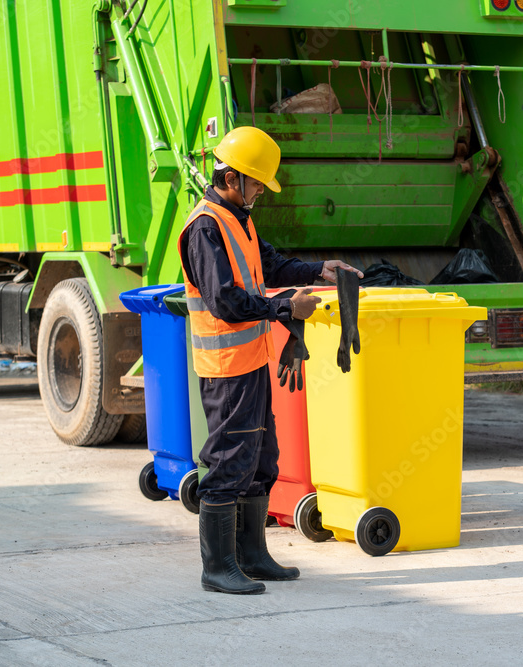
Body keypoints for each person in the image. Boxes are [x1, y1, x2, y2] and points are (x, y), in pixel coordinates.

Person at [178, 126, 362, 595]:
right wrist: (285, 309)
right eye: (258, 182)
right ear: (233, 177)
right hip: (227, 371)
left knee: (261, 459)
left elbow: (271, 265)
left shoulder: (236, 216)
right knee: (226, 462)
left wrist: (320, 269)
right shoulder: (204, 228)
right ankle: (218, 567)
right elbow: (226, 302)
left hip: (252, 361)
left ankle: (253, 556)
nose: (261, 190)